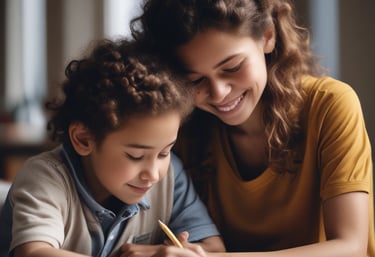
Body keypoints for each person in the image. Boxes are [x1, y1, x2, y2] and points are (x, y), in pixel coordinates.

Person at [130, 0, 374, 256]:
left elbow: (351, 247)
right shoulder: (180, 131)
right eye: (195, 80)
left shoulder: (329, 105)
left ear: (268, 36)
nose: (219, 92)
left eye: (232, 67)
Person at [0, 38, 225, 257]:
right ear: (84, 139)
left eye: (165, 152)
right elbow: (34, 252)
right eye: (135, 156)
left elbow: (213, 248)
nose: (153, 174)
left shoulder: (170, 177)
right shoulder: (45, 177)